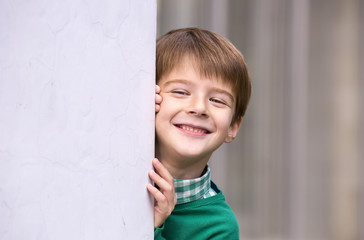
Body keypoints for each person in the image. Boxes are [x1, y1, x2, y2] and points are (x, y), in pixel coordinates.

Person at [147, 27, 252, 239]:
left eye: (217, 100)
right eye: (180, 92)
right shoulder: (114, 175)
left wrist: (150, 230)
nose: (199, 108)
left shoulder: (220, 227)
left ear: (232, 127)